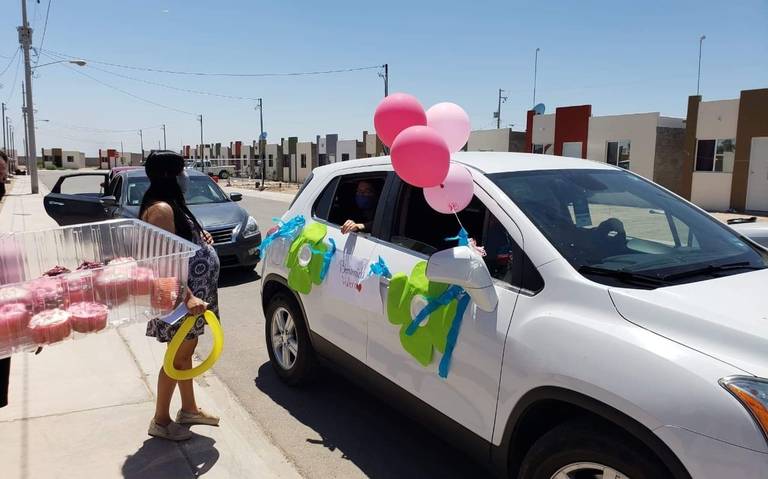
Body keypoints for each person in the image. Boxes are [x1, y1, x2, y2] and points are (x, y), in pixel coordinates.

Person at [140, 151, 220, 441]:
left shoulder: (172, 204)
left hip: (194, 297)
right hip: (180, 300)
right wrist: (188, 298)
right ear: (168, 175)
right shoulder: (160, 209)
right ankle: (160, 420)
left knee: (185, 352)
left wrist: (202, 239)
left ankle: (188, 409)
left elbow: (181, 241)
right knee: (176, 356)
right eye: (182, 170)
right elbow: (162, 261)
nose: (186, 175)